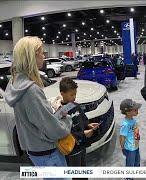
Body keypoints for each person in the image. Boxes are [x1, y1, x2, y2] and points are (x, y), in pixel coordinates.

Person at [4, 37, 72, 170]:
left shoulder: (15, 83)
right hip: (47, 151)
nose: (43, 56)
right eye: (41, 53)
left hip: (34, 148)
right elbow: (53, 129)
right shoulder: (31, 90)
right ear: (31, 56)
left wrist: (47, 106)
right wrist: (67, 119)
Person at [50, 77, 99, 177]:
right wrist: (82, 134)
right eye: (71, 95)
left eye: (75, 94)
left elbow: (83, 118)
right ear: (62, 93)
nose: (74, 97)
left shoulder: (76, 105)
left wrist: (88, 125)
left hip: (82, 144)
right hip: (71, 147)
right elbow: (63, 132)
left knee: (83, 169)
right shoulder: (60, 113)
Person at [119, 99, 142, 169]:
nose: (137, 110)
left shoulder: (133, 121)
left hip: (135, 146)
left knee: (137, 160)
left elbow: (136, 132)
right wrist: (123, 147)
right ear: (128, 112)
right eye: (135, 110)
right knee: (130, 163)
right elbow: (122, 137)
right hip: (130, 148)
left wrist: (137, 141)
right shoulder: (125, 124)